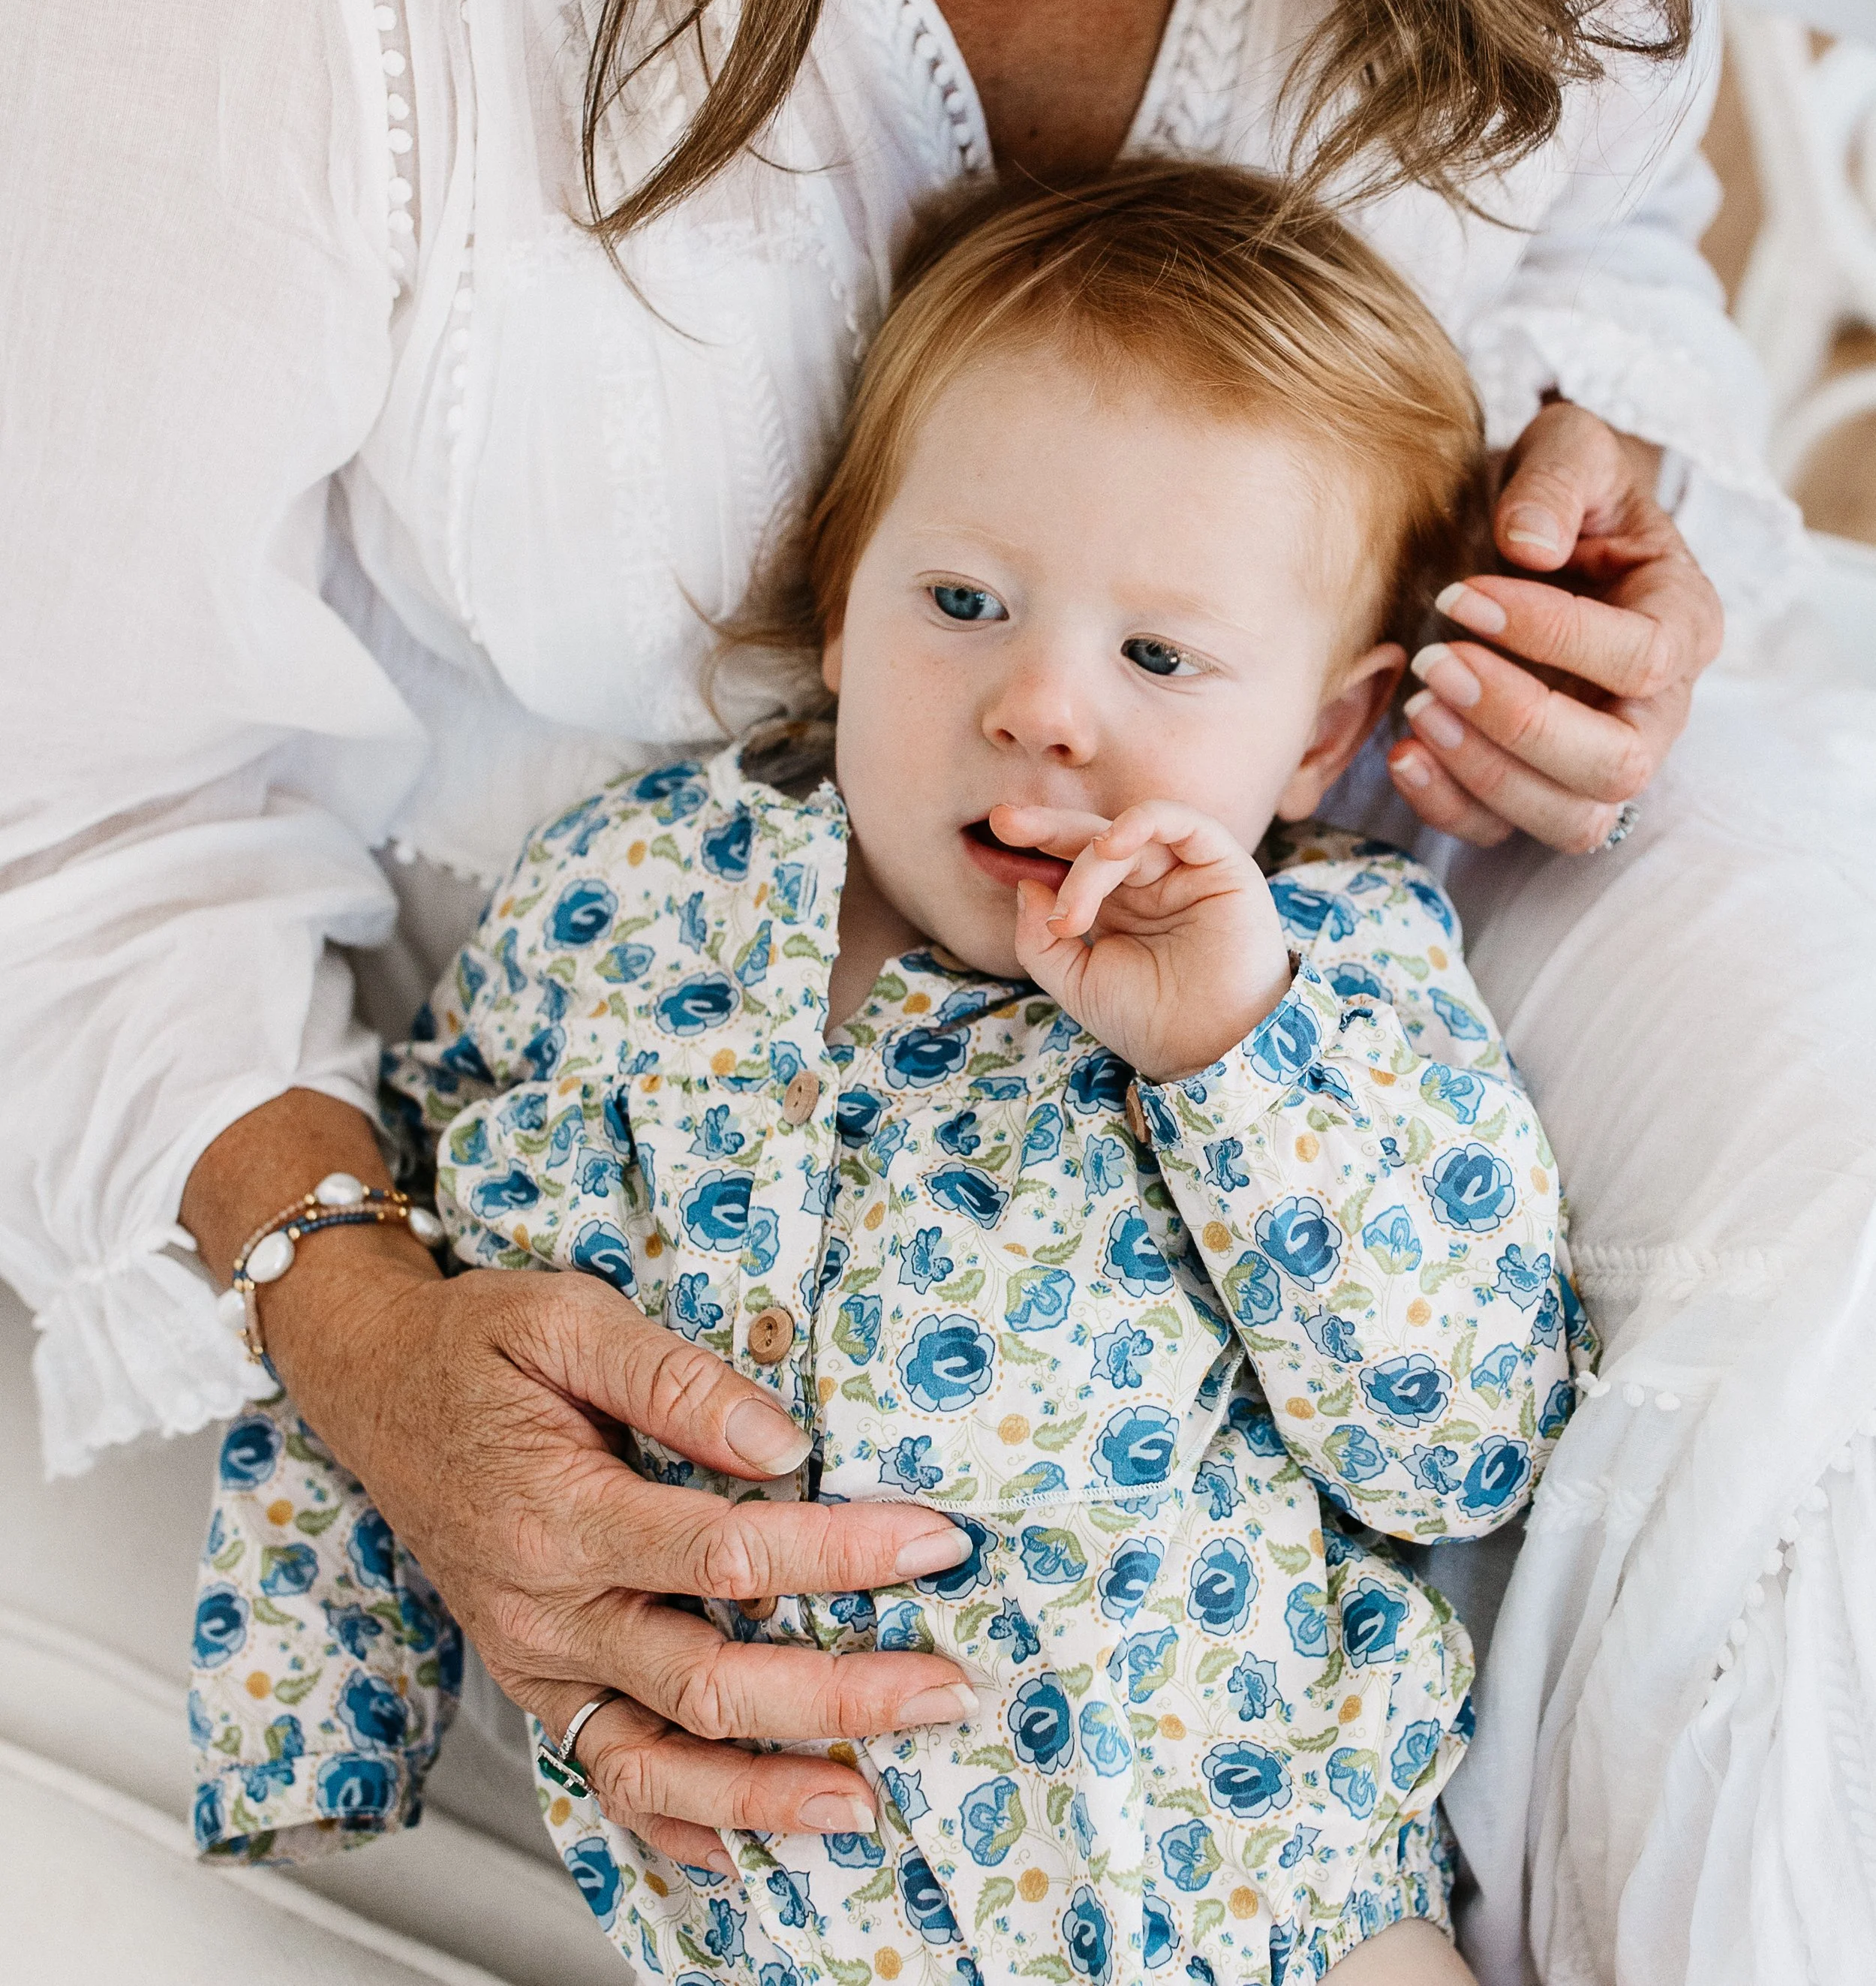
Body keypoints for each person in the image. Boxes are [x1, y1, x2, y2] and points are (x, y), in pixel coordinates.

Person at [1, 0, 1870, 1980]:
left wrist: (1603, 533)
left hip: (1395, 955)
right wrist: (362, 1331)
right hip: (730, 1224)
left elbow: (1579, 249)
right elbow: (77, 795)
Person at [192, 167, 1594, 1984]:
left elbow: (1461, 1442)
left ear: (1323, 732)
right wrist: (320, 1707)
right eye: (960, 599)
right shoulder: (624, 905)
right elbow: (418, 1292)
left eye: (1159, 655)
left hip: (1259, 1915)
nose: (1042, 705)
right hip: (779, 1930)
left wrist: (1231, 1063)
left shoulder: (1329, 980)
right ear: (840, 610)